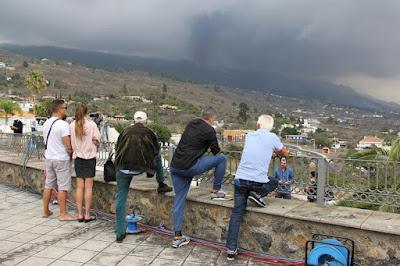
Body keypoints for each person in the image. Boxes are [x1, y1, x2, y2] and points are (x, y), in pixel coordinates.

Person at [226, 114, 287, 261]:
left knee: (236, 214)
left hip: (240, 180)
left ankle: (231, 250)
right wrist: (276, 152)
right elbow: (285, 153)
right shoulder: (272, 137)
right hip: (257, 183)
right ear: (270, 127)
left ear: (258, 124)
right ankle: (257, 195)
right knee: (274, 181)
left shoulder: (249, 136)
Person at [170, 108, 230, 249]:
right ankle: (216, 191)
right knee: (222, 159)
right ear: (211, 119)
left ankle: (177, 236)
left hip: (175, 166)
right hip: (190, 166)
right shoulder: (210, 130)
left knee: (179, 200)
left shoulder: (192, 123)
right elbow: (216, 151)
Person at [114, 111, 161, 243]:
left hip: (122, 167)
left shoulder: (124, 131)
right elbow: (156, 152)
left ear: (134, 120)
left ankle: (119, 232)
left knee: (120, 199)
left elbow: (118, 148)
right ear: (146, 121)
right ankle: (161, 182)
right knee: (159, 156)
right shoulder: (149, 133)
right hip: (140, 168)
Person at [42, 99, 75, 221]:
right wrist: (71, 152)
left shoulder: (46, 123)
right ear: (59, 109)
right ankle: (63, 214)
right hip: (61, 159)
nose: (66, 110)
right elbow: (68, 145)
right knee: (63, 187)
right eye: (65, 108)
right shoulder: (63, 125)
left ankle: (45, 210)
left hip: (49, 157)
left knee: (48, 184)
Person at [70, 103, 101, 223]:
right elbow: (97, 140)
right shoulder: (91, 125)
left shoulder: (72, 125)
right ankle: (87, 214)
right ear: (86, 112)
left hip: (78, 158)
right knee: (88, 188)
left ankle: (79, 214)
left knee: (79, 187)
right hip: (89, 158)